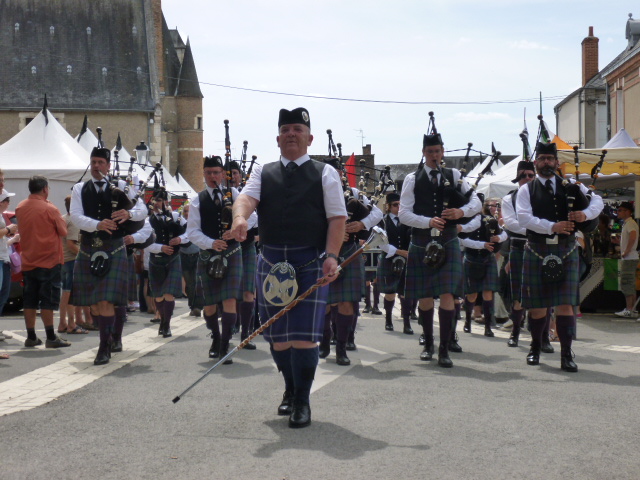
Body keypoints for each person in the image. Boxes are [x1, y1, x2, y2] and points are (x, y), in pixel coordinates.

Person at [230, 107, 346, 428]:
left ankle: (302, 401)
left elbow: (337, 218)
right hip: (271, 261)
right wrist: (239, 218)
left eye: (298, 129)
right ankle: (290, 389)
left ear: (310, 138)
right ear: (277, 138)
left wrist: (332, 256)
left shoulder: (325, 173)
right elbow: (246, 200)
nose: (291, 134)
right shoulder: (263, 172)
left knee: (304, 336)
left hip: (310, 261)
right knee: (278, 336)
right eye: (286, 130)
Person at [516, 142, 603, 372]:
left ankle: (566, 354)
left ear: (556, 162)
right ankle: (535, 347)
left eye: (550, 159)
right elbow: (523, 218)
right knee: (538, 307)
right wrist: (552, 227)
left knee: (566, 305)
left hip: (566, 250)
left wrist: (585, 214)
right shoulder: (526, 190)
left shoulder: (572, 185)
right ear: (536, 162)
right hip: (537, 248)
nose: (546, 162)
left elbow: (598, 201)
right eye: (542, 158)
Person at [399, 128, 481, 368]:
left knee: (447, 294)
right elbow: (403, 214)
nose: (434, 155)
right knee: (425, 295)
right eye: (429, 151)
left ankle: (444, 349)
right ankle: (428, 344)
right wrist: (428, 221)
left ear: (443, 151)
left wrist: (460, 212)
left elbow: (477, 202)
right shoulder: (412, 179)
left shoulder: (455, 175)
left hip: (448, 239)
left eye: (437, 151)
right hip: (422, 239)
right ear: (423, 152)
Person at [70, 147, 148, 365]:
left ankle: (105, 346)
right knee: (94, 303)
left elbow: (143, 210)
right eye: (93, 162)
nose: (96, 166)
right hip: (89, 246)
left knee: (106, 300)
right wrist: (97, 224)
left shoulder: (121, 186)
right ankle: (110, 334)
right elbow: (75, 216)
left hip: (113, 246)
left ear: (108, 165)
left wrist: (129, 213)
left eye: (100, 162)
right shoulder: (79, 188)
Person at [321, 159, 382, 365]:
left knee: (347, 302)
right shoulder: (315, 194)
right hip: (324, 250)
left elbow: (377, 213)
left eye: (338, 172)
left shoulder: (355, 194)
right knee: (325, 302)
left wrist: (361, 224)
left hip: (350, 251)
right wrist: (332, 233)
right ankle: (324, 339)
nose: (336, 176)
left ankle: (341, 348)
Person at [186, 155, 243, 363]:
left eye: (216, 172)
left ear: (222, 174)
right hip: (209, 255)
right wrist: (211, 243)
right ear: (204, 174)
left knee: (229, 299)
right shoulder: (197, 200)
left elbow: (251, 217)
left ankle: (225, 344)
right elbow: (192, 232)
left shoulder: (235, 194)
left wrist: (236, 229)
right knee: (209, 305)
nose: (213, 176)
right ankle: (216, 337)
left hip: (232, 253)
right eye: (209, 173)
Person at [15, 176, 70, 349]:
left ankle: (31, 336)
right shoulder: (50, 208)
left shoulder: (20, 207)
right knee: (48, 300)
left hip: (28, 259)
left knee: (29, 300)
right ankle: (51, 336)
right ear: (45, 189)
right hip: (49, 260)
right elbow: (63, 231)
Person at [501, 160, 536, 346]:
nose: (527, 178)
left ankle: (540, 335)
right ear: (517, 178)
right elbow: (511, 224)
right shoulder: (509, 199)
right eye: (523, 175)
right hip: (519, 247)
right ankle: (515, 332)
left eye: (531, 175)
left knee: (541, 293)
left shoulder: (543, 196)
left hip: (540, 247)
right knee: (518, 294)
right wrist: (540, 229)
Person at [147, 189, 188, 338]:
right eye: (155, 200)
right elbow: (144, 242)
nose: (157, 203)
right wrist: (161, 248)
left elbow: (189, 232)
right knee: (158, 295)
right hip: (156, 259)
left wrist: (180, 239)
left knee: (169, 293)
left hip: (173, 259)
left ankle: (167, 324)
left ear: (166, 202)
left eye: (160, 200)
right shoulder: (147, 221)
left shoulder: (176, 216)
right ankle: (163, 321)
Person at [376, 192, 411, 333]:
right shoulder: (383, 221)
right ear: (389, 206)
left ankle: (407, 323)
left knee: (405, 293)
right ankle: (388, 320)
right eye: (396, 205)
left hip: (406, 260)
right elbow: (381, 243)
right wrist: (398, 251)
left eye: (401, 205)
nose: (399, 207)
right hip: (389, 259)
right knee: (390, 293)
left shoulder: (408, 221)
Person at [57, 195, 88, 334]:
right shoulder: (74, 221)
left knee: (66, 292)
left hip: (64, 260)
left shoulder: (63, 218)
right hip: (72, 260)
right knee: (71, 293)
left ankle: (63, 323)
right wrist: (86, 256)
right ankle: (71, 324)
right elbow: (71, 244)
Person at [0, 189, 19, 344]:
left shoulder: (2, 215)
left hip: (4, 258)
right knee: (2, 295)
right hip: (1, 259)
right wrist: (8, 230)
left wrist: (12, 239)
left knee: (3, 295)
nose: (8, 203)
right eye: (7, 200)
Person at [613, 201, 639, 318]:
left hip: (629, 258)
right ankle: (632, 309)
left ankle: (629, 309)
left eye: (620, 210)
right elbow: (631, 238)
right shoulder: (628, 223)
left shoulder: (630, 223)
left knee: (627, 282)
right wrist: (620, 242)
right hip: (630, 257)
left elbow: (633, 237)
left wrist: (626, 251)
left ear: (628, 212)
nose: (617, 212)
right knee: (629, 283)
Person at [179, 203, 204, 317]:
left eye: (189, 211)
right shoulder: (180, 223)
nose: (187, 213)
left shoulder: (198, 223)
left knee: (197, 281)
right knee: (189, 283)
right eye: (185, 211)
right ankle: (192, 306)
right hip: (184, 256)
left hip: (197, 254)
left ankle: (197, 306)